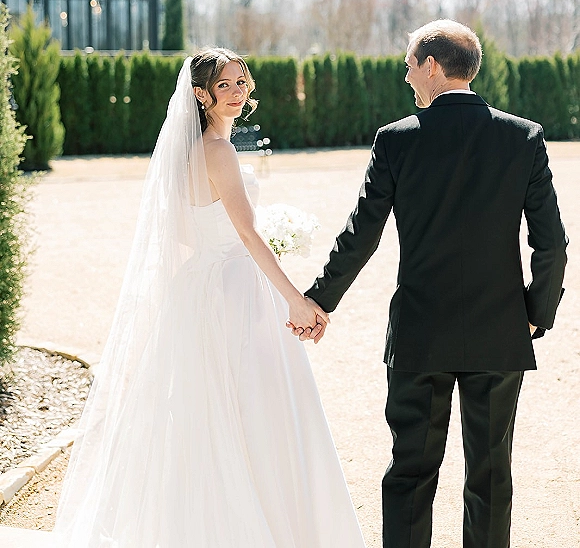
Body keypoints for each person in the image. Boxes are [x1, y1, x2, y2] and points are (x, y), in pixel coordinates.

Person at [55, 48, 366, 548]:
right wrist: (295, 299)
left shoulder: (193, 151)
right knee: (253, 409)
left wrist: (226, 245)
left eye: (243, 81)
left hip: (204, 284)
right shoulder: (219, 151)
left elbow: (184, 231)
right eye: (225, 85)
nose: (239, 91)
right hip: (236, 289)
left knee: (214, 411)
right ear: (201, 94)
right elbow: (245, 232)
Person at [296, 20, 567, 548]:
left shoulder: (396, 140)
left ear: (433, 67)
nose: (406, 77)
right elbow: (551, 242)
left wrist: (317, 299)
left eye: (408, 66)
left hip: (421, 333)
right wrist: (537, 311)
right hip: (499, 331)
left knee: (410, 474)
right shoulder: (523, 136)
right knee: (491, 476)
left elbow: (361, 235)